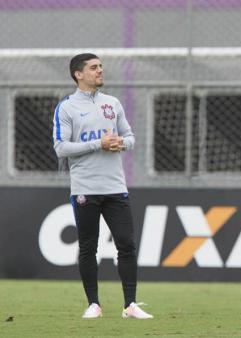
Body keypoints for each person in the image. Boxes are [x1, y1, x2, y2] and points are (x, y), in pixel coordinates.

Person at [53, 53, 153, 319]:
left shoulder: (112, 103)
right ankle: (93, 304)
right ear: (78, 74)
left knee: (126, 244)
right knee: (88, 246)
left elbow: (130, 137)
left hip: (115, 187)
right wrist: (99, 144)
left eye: (100, 67)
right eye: (94, 68)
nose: (100, 71)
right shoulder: (67, 107)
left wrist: (121, 143)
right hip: (85, 188)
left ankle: (130, 305)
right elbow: (61, 148)